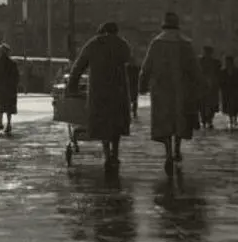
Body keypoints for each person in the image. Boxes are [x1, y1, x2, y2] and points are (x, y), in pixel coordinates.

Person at [139, 11, 203, 174]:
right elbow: (195, 69)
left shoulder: (157, 43)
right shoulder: (185, 43)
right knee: (179, 119)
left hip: (161, 89)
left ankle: (167, 152)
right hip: (183, 89)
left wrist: (142, 84)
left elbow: (147, 65)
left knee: (164, 121)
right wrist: (199, 85)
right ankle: (177, 149)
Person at [67, 22, 134, 172]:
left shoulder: (93, 44)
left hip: (99, 92)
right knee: (116, 123)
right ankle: (115, 153)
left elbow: (78, 66)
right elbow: (129, 58)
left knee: (103, 122)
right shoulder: (122, 44)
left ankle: (107, 154)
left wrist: (72, 86)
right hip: (118, 91)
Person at [0, 43, 20, 135]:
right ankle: (8, 124)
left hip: (0, 89)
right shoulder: (13, 63)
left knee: (0, 107)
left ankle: (0, 124)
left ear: (2, 52)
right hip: (9, 89)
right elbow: (16, 77)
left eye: (0, 51)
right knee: (8, 108)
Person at [198, 46, 222, 129]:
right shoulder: (200, 61)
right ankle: (204, 119)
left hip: (213, 86)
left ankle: (209, 120)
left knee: (212, 104)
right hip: (202, 86)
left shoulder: (216, 62)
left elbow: (219, 74)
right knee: (202, 104)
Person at [221, 56, 238, 129]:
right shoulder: (223, 71)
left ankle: (235, 118)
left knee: (236, 105)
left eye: (229, 62)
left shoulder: (237, 71)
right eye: (226, 62)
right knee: (229, 106)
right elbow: (221, 81)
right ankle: (231, 119)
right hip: (227, 91)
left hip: (236, 91)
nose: (227, 63)